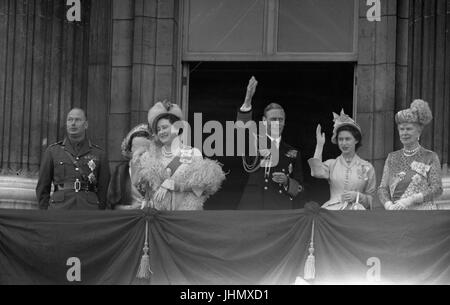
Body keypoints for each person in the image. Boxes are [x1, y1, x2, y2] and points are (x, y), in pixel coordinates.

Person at [132, 101, 226, 211]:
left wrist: (177, 186)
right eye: (158, 129)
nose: (161, 132)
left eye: (164, 127)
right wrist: (137, 158)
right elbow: (139, 187)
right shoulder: (150, 158)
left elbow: (203, 188)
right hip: (159, 218)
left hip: (186, 217)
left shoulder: (193, 153)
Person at [236, 77, 305, 210]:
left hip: (280, 210)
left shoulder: (293, 153)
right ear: (264, 120)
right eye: (273, 119)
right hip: (252, 210)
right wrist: (247, 100)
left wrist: (287, 181)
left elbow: (301, 189)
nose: (277, 123)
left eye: (281, 119)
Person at [36, 108, 110, 210]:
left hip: (88, 209)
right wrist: (45, 213)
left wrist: (98, 212)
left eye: (77, 120)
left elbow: (104, 189)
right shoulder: (53, 151)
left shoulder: (99, 154)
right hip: (60, 208)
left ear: (86, 125)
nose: (73, 123)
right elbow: (43, 187)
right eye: (70, 120)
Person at [378, 99, 443, 210]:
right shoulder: (392, 157)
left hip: (422, 214)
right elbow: (382, 188)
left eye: (409, 129)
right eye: (401, 129)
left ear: (418, 131)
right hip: (397, 213)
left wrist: (412, 199)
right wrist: (388, 205)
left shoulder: (430, 157)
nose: (404, 133)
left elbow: (437, 189)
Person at [308, 110, 376, 210]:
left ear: (356, 140)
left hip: (357, 213)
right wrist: (319, 146)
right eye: (340, 139)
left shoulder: (367, 167)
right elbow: (316, 172)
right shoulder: (332, 164)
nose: (344, 143)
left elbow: (372, 200)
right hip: (333, 211)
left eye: (347, 139)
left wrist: (359, 196)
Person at [107, 124, 152, 210]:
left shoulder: (158, 170)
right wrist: (130, 208)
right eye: (136, 147)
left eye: (145, 147)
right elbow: (112, 204)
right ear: (130, 149)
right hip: (129, 219)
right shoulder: (121, 171)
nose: (141, 151)